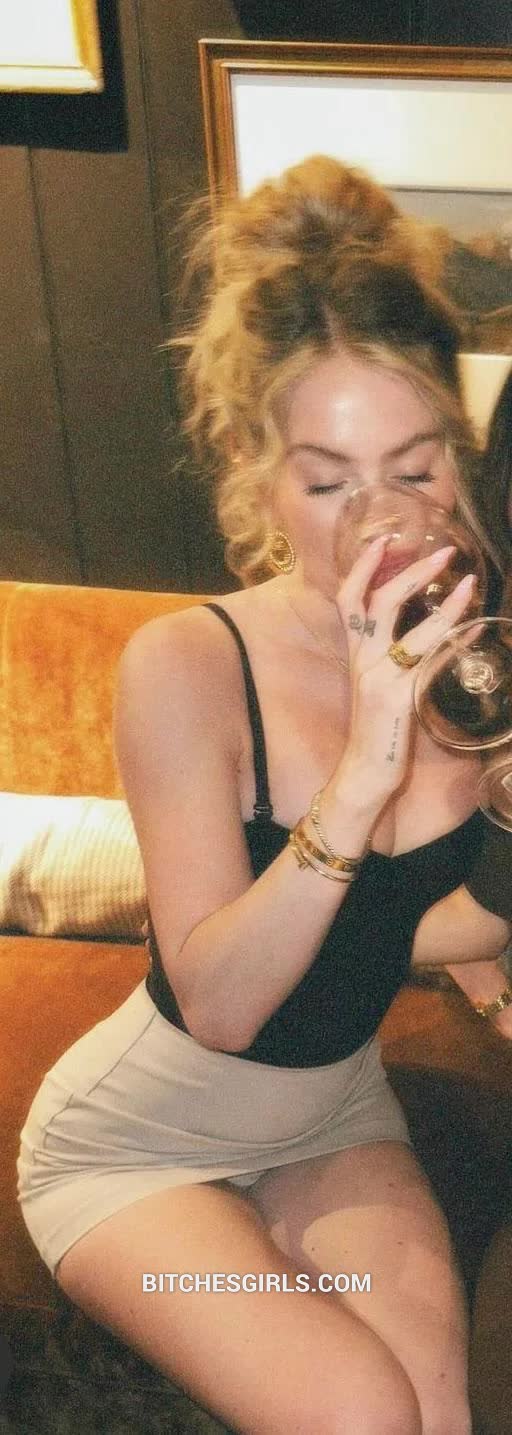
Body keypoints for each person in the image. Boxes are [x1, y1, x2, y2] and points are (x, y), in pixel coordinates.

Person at [17, 156, 512, 1435]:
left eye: (416, 469)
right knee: (358, 1410)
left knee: (436, 1415)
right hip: (135, 1149)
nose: (383, 521)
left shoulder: (474, 655)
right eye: (329, 480)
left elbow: (433, 924)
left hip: (333, 1111)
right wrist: (362, 769)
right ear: (258, 470)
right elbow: (222, 1002)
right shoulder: (186, 664)